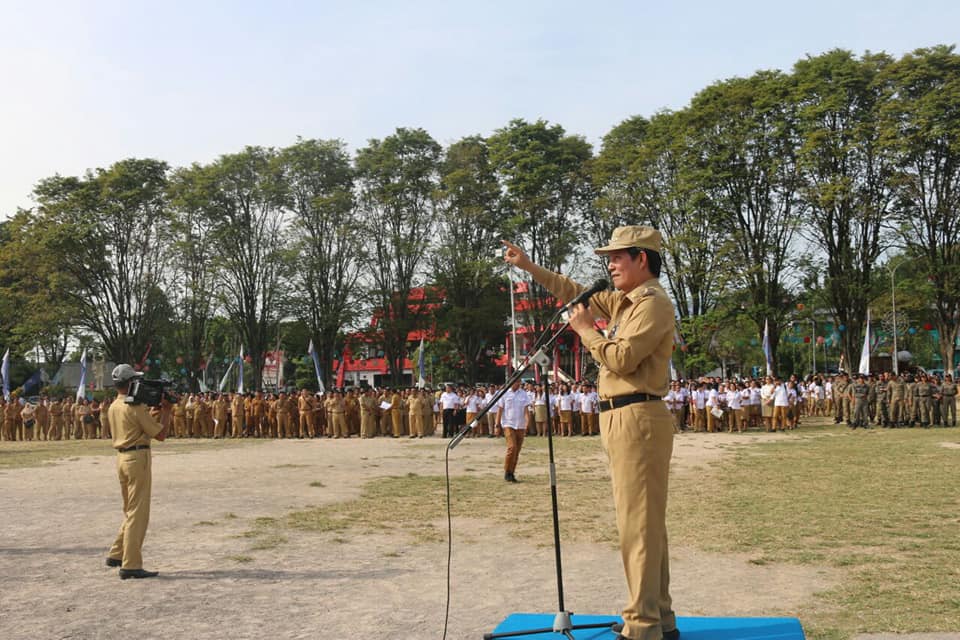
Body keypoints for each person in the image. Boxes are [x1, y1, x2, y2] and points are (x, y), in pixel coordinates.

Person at [503, 225, 679, 640]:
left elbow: (622, 358)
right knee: (645, 524)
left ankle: (642, 625)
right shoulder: (624, 301)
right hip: (623, 416)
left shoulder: (652, 304)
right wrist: (528, 266)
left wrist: (585, 330)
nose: (610, 264)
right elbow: (571, 289)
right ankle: (659, 616)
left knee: (637, 526)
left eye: (618, 256)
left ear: (642, 258)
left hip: (638, 415)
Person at [105, 363, 169, 579]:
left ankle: (117, 552)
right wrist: (167, 412)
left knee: (130, 509)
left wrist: (151, 413)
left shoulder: (115, 405)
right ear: (131, 382)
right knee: (138, 512)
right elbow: (160, 435)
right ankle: (131, 564)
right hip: (137, 458)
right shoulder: (136, 407)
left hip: (122, 458)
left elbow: (137, 424)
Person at [494, 378, 532, 482]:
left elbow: (525, 410)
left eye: (519, 382)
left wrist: (528, 422)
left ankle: (511, 472)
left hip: (520, 425)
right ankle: (507, 471)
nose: (518, 383)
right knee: (512, 447)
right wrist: (497, 425)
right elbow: (500, 410)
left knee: (517, 451)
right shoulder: (504, 393)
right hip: (508, 424)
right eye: (516, 381)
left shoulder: (524, 394)